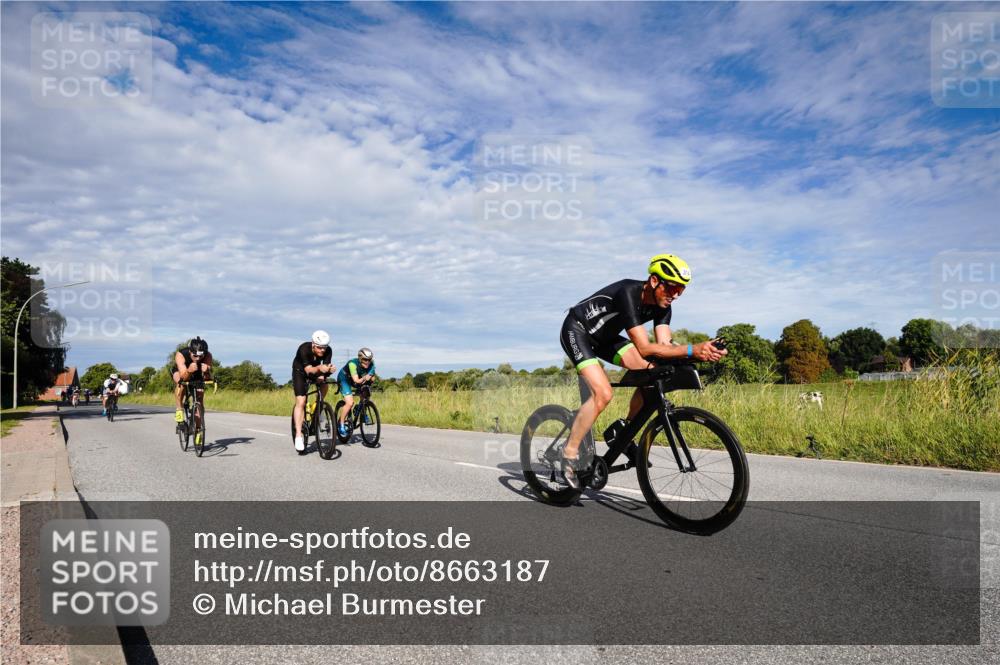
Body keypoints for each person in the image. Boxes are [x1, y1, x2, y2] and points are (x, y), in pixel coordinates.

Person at [558, 253, 727, 488]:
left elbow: (664, 348)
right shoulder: (628, 293)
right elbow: (645, 346)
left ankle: (624, 429)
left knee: (653, 372)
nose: (675, 295)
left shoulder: (663, 307)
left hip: (606, 338)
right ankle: (569, 454)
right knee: (603, 394)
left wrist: (702, 352)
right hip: (578, 331)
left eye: (681, 290)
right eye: (672, 288)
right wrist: (691, 349)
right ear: (655, 281)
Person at [292, 330, 336, 452]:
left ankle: (319, 408)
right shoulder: (304, 349)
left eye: (324, 348)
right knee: (301, 401)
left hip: (316, 370)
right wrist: (320, 368)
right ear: (313, 344)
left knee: (324, 386)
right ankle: (298, 435)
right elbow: (309, 370)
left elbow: (324, 369)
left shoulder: (328, 350)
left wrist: (328, 370)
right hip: (300, 371)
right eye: (319, 347)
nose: (322, 350)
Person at [173, 337, 214, 444]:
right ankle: (179, 410)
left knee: (200, 396)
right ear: (190, 351)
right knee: (180, 384)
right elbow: (183, 377)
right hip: (182, 372)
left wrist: (207, 372)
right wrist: (189, 370)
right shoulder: (181, 354)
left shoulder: (208, 356)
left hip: (197, 373)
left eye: (201, 356)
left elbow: (207, 379)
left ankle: (198, 430)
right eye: (195, 355)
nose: (197, 358)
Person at [336, 347, 376, 437]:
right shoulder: (352, 364)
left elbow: (373, 378)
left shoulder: (371, 364)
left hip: (356, 379)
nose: (367, 362)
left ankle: (361, 410)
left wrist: (370, 377)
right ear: (360, 358)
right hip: (344, 379)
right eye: (365, 360)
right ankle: (341, 424)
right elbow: (357, 380)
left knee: (366, 392)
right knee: (350, 403)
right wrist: (366, 377)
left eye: (369, 360)